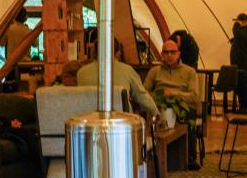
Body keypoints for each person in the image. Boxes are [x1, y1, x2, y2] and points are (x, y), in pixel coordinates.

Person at [145, 40, 201, 169]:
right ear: (161, 54)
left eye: (172, 52)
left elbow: (194, 96)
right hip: (161, 104)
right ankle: (154, 155)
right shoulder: (155, 71)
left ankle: (190, 158)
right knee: (150, 113)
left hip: (182, 106)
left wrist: (174, 94)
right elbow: (145, 91)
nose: (169, 55)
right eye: (166, 52)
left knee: (189, 115)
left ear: (178, 54)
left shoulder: (189, 72)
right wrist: (159, 96)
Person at [77, 38, 158, 115]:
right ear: (118, 52)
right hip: (122, 122)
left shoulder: (81, 73)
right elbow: (142, 97)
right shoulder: (127, 71)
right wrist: (157, 113)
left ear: (95, 51)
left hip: (89, 122)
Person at [230, 13, 247, 113]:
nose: (237, 24)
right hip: (244, 64)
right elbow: (240, 38)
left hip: (244, 64)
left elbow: (237, 33)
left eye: (239, 21)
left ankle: (245, 107)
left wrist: (236, 24)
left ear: (243, 21)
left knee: (244, 85)